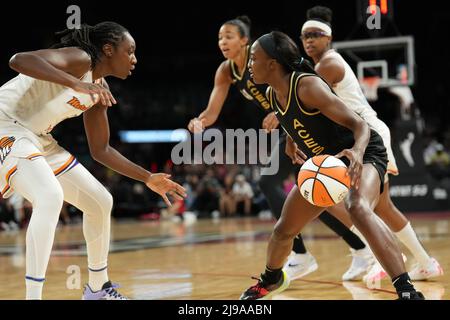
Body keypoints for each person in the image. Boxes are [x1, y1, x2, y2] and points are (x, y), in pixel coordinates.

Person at [0, 22, 186, 300]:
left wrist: (148, 177)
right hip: (7, 124)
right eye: (130, 51)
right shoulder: (80, 59)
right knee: (49, 196)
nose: (135, 59)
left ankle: (98, 289)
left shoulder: (100, 91)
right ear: (108, 49)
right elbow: (19, 60)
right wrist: (76, 82)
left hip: (39, 137)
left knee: (101, 201)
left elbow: (101, 150)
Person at [187, 15, 374, 281]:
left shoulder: (267, 60)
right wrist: (200, 121)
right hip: (288, 129)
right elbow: (212, 111)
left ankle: (306, 254)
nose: (222, 42)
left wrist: (283, 109)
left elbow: (300, 77)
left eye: (228, 36)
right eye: (219, 37)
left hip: (300, 122)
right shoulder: (227, 71)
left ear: (244, 40)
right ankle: (356, 248)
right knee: (312, 192)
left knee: (271, 182)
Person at [240, 31, 424, 300]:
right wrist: (290, 139)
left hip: (364, 152)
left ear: (272, 64)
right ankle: (272, 279)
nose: (249, 65)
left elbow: (359, 124)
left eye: (254, 59)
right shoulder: (272, 93)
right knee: (283, 230)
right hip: (325, 164)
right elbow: (295, 118)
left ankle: (406, 289)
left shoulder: (307, 86)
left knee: (357, 207)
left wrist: (358, 152)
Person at [300, 5, 443, 283]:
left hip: (366, 134)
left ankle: (384, 259)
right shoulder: (321, 65)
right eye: (305, 35)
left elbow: (307, 104)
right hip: (365, 132)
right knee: (382, 207)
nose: (309, 40)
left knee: (358, 203)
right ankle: (425, 262)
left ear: (328, 38)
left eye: (315, 34)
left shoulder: (327, 64)